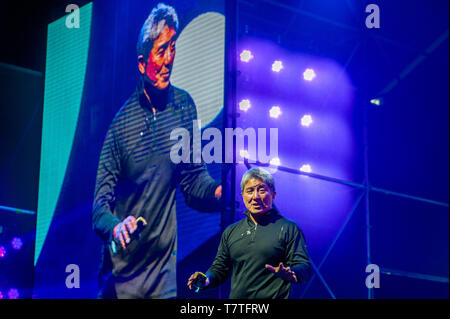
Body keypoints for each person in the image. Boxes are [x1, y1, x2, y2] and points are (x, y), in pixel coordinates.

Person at [92, 3, 222, 299]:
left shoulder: (183, 107)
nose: (168, 60)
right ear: (142, 63)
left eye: (172, 48)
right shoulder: (120, 127)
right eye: (161, 51)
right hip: (121, 280)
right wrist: (116, 226)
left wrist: (219, 193)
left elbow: (192, 181)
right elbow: (99, 208)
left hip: (163, 280)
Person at [187, 167, 311, 299]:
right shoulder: (231, 231)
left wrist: (292, 273)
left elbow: (304, 267)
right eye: (250, 191)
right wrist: (206, 279)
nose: (255, 197)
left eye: (262, 190)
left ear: (273, 195)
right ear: (242, 196)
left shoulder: (288, 228)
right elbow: (220, 268)